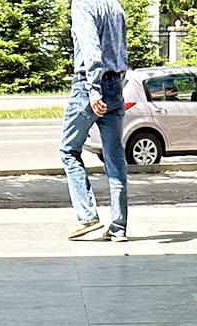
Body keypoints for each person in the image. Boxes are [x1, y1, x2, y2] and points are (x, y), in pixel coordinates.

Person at [62, 0, 129, 241]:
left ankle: (87, 216)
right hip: (116, 84)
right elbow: (122, 48)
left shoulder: (82, 5)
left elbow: (91, 49)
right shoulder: (116, 6)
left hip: (88, 86)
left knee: (68, 150)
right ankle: (118, 227)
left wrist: (93, 91)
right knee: (115, 157)